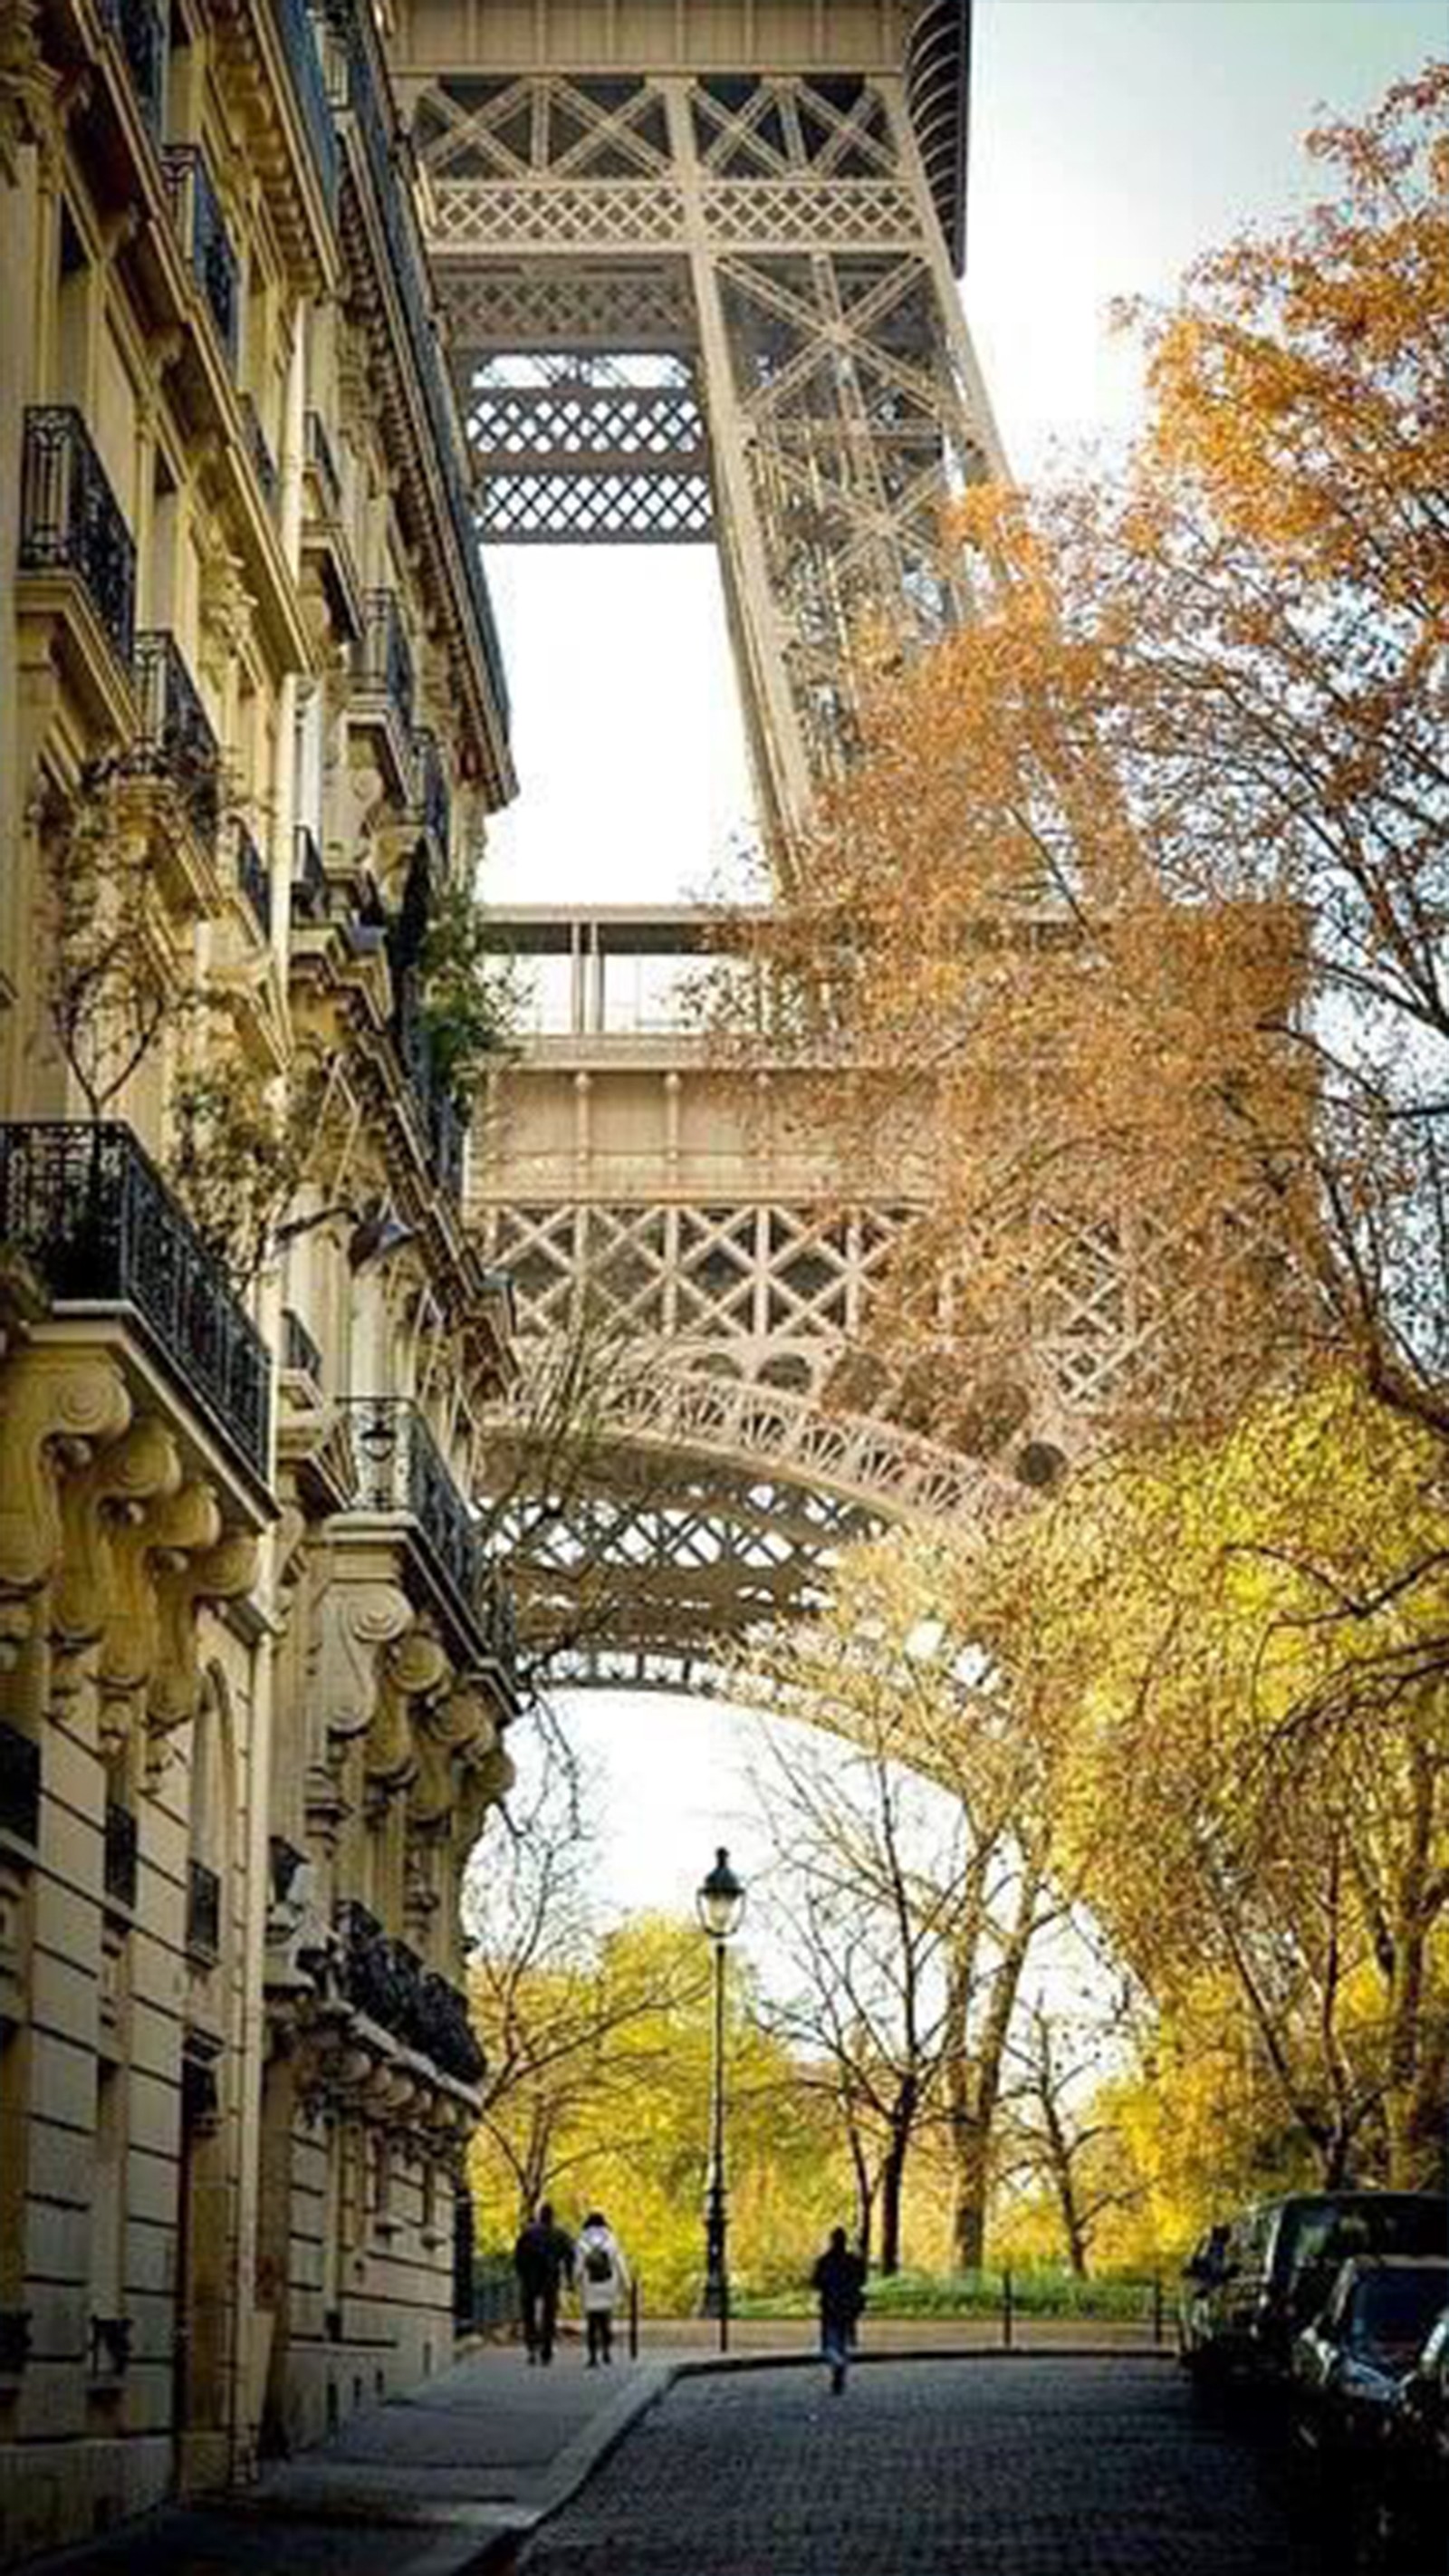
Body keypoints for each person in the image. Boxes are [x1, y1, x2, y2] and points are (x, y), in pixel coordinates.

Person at [513, 2201, 575, 2365]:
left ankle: (531, 2347)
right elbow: (570, 2257)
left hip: (530, 2279)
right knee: (549, 2315)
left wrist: (522, 2274)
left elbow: (518, 2256)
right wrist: (569, 2279)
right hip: (550, 2279)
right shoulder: (560, 2235)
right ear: (552, 2217)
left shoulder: (528, 2233)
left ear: (540, 2215)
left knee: (529, 2315)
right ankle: (546, 2349)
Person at [811, 2225, 867, 2395]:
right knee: (843, 2341)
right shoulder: (853, 2261)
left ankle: (837, 2363)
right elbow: (862, 2279)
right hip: (848, 2307)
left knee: (828, 2344)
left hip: (830, 2306)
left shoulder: (824, 2261)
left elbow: (816, 2282)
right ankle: (840, 2368)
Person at [576, 2209, 631, 2367]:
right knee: (606, 2319)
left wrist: (574, 2281)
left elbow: (578, 2267)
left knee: (591, 2322)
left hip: (590, 2284)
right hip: (608, 2284)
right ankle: (606, 2352)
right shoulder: (611, 2240)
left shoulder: (582, 2241)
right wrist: (626, 2284)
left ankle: (592, 2356)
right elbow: (620, 2263)